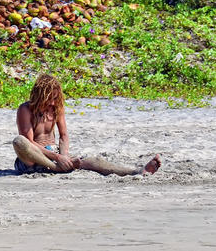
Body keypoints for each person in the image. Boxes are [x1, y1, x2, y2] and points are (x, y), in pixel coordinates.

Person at [12, 74, 161, 176]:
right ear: (39, 96)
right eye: (48, 99)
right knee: (19, 141)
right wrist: (57, 159)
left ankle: (137, 171)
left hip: (54, 154)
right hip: (33, 159)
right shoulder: (26, 110)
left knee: (92, 161)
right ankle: (56, 169)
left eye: (54, 98)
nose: (52, 103)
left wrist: (64, 155)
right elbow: (29, 143)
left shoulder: (56, 108)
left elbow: (63, 135)